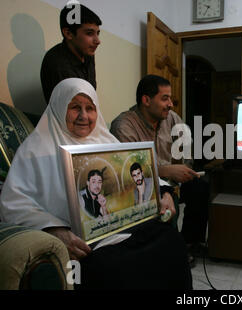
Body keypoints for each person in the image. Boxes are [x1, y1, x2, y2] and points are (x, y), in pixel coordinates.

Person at [0, 78, 192, 289]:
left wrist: (164, 193)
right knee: (114, 267)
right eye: (75, 107)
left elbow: (140, 172)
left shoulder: (105, 141)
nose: (84, 116)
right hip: (87, 245)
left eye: (90, 108)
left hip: (126, 229)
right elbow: (14, 203)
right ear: (59, 107)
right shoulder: (34, 151)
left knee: (171, 242)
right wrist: (55, 231)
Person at [110, 74, 209, 267]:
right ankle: (167, 250)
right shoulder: (125, 125)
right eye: (165, 98)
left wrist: (184, 171)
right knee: (166, 198)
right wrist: (165, 172)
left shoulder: (171, 118)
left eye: (170, 98)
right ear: (146, 100)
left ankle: (188, 242)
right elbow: (129, 171)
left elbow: (187, 148)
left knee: (201, 187)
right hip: (143, 183)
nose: (171, 104)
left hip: (173, 179)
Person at [40, 3, 101, 103]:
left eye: (97, 33)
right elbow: (74, 108)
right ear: (68, 33)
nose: (98, 41)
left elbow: (90, 97)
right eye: (89, 33)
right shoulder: (56, 62)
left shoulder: (88, 54)